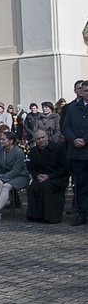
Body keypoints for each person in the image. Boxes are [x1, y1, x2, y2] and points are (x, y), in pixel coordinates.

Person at [26, 129, 70, 223]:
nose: (41, 140)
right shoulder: (33, 151)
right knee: (33, 187)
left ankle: (50, 217)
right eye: (38, 139)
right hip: (41, 177)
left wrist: (49, 176)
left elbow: (65, 168)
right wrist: (37, 176)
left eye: (43, 137)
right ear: (34, 140)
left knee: (46, 187)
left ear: (47, 137)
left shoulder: (59, 148)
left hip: (58, 177)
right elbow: (31, 167)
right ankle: (35, 215)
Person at [0, 131, 29, 223]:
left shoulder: (18, 152)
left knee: (6, 186)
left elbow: (16, 171)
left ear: (11, 141)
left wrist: (0, 177)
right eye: (0, 139)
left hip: (20, 176)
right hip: (5, 176)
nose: (1, 141)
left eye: (3, 139)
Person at [61, 80, 88, 226]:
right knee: (80, 185)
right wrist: (73, 140)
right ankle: (82, 213)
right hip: (77, 153)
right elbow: (65, 126)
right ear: (81, 92)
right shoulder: (72, 108)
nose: (86, 93)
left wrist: (84, 139)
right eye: (85, 91)